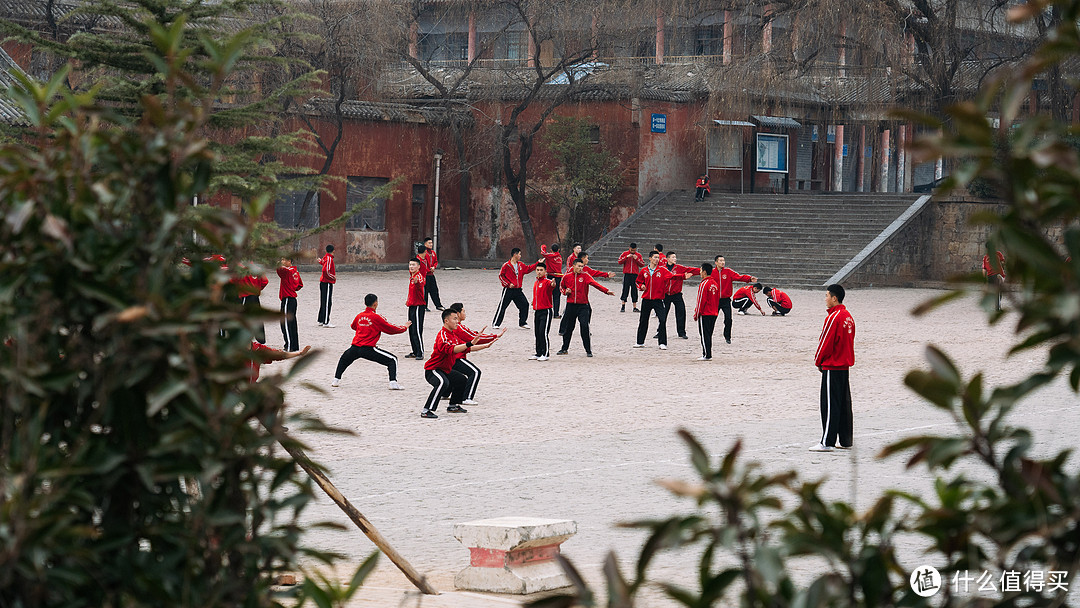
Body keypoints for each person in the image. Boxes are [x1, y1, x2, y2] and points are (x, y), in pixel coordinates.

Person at [422, 309, 495, 419]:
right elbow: (452, 349)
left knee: (461, 380)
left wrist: (485, 346)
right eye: (454, 319)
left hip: (445, 370)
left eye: (457, 319)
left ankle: (453, 405)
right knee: (442, 383)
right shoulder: (443, 336)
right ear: (446, 321)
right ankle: (426, 410)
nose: (457, 321)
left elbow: (466, 348)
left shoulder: (453, 336)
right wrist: (470, 343)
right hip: (433, 370)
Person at [810, 284, 855, 452]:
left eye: (827, 295)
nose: (826, 298)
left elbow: (826, 343)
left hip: (833, 365)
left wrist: (818, 361)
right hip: (844, 365)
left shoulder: (834, 317)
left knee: (829, 404)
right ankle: (845, 439)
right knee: (843, 403)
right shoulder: (848, 316)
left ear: (834, 298)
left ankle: (827, 441)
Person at [332, 294, 410, 390]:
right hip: (368, 348)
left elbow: (353, 326)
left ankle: (335, 380)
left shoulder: (359, 316)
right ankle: (393, 383)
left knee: (344, 360)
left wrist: (364, 328)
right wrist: (404, 327)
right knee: (392, 359)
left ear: (365, 303)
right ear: (375, 303)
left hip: (355, 347)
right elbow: (390, 329)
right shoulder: (376, 317)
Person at [449, 303, 504, 405]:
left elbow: (473, 336)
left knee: (457, 375)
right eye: (463, 311)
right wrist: (494, 336)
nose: (465, 314)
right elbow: (474, 338)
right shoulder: (459, 328)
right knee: (475, 372)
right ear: (458, 313)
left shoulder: (455, 327)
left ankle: (446, 392)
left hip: (452, 356)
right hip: (456, 357)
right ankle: (467, 397)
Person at [558, 258, 615, 356]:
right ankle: (564, 348)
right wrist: (565, 292)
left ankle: (588, 350)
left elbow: (595, 284)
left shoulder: (585, 276)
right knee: (568, 328)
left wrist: (606, 291)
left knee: (584, 327)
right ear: (573, 266)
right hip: (571, 305)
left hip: (583, 306)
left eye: (582, 266)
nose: (580, 268)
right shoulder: (567, 276)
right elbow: (561, 287)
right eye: (579, 266)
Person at [634, 251, 677, 350]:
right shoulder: (644, 270)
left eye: (658, 257)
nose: (657, 259)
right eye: (655, 257)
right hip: (646, 299)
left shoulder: (662, 270)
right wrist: (641, 286)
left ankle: (662, 342)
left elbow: (672, 276)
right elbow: (638, 281)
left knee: (662, 319)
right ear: (650, 258)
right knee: (643, 320)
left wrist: (683, 276)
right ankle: (640, 342)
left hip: (658, 299)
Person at [711, 255, 757, 344]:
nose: (722, 262)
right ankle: (708, 335)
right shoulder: (712, 272)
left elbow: (738, 277)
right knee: (712, 319)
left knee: (728, 319)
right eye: (720, 260)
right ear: (716, 262)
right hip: (715, 300)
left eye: (723, 260)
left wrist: (749, 278)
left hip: (726, 300)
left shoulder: (728, 271)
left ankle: (727, 336)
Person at [492, 248, 538, 329]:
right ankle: (496, 323)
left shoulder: (521, 265)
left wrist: (538, 263)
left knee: (525, 304)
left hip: (518, 290)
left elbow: (528, 269)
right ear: (515, 254)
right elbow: (501, 276)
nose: (520, 256)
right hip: (508, 290)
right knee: (502, 306)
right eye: (519, 254)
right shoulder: (506, 265)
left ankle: (522, 322)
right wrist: (508, 284)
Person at [663, 251, 697, 339]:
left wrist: (703, 270)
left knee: (681, 312)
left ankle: (681, 332)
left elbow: (691, 270)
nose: (675, 259)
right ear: (667, 259)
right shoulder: (662, 268)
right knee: (663, 313)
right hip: (665, 294)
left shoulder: (679, 268)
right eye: (673, 257)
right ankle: (660, 331)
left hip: (676, 294)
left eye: (675, 257)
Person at [235, 262, 269, 344]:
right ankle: (261, 340)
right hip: (255, 297)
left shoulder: (239, 267)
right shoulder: (257, 268)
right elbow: (265, 281)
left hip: (245, 296)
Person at [693, 263, 720, 360]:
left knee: (704, 334)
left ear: (704, 272)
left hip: (705, 313)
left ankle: (706, 354)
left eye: (700, 270)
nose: (699, 272)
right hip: (714, 312)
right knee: (709, 334)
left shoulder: (704, 284)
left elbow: (701, 300)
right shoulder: (715, 283)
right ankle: (708, 353)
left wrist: (697, 313)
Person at [276, 258, 303, 352]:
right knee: (292, 323)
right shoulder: (295, 271)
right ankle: (294, 345)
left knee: (286, 323)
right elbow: (299, 285)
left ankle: (289, 346)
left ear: (289, 261)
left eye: (284, 260)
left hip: (287, 299)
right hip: (292, 299)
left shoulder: (286, 271)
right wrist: (291, 287)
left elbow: (278, 269)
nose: (282, 262)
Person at [531, 265, 555, 360]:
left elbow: (552, 286)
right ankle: (538, 353)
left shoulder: (547, 282)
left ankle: (545, 354)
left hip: (546, 311)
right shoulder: (536, 282)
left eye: (541, 270)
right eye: (537, 270)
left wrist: (553, 284)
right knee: (537, 333)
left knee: (543, 332)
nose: (539, 272)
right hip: (537, 311)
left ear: (545, 271)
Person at [404, 258, 427, 359]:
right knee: (411, 329)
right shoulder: (412, 276)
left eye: (414, 265)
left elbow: (420, 283)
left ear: (418, 267)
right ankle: (415, 350)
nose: (411, 267)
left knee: (417, 330)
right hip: (412, 305)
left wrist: (417, 282)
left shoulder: (419, 277)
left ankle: (420, 352)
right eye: (410, 265)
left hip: (418, 306)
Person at [418, 237, 444, 311]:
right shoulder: (423, 253)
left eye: (431, 243)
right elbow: (421, 263)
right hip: (425, 275)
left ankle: (438, 305)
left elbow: (436, 261)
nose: (431, 244)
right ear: (425, 244)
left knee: (434, 290)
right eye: (429, 243)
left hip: (431, 274)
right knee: (425, 291)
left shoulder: (433, 253)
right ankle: (424, 306)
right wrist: (428, 269)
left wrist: (434, 267)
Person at [617, 243, 644, 313]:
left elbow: (642, 264)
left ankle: (634, 307)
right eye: (632, 250)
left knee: (634, 290)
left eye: (634, 250)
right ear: (629, 248)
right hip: (627, 274)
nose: (633, 251)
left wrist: (637, 259)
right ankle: (623, 306)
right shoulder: (625, 253)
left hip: (635, 275)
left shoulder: (638, 255)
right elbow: (619, 261)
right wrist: (626, 257)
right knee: (625, 289)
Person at [540, 243, 563, 318]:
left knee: (548, 294)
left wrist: (543, 246)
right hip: (558, 277)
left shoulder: (549, 256)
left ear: (551, 250)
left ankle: (546, 311)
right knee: (557, 296)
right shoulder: (559, 256)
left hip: (550, 276)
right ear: (558, 250)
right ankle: (556, 313)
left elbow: (543, 253)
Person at [317, 244, 336, 328]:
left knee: (323, 301)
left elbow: (324, 264)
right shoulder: (329, 259)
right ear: (333, 251)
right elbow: (326, 270)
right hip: (327, 282)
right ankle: (326, 321)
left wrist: (320, 261)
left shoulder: (326, 258)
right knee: (327, 302)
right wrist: (333, 277)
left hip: (323, 282)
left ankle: (321, 319)